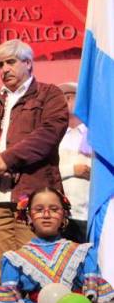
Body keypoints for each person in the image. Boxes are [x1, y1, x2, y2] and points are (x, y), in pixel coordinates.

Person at [0, 39, 69, 295]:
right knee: (0, 274)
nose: (4, 69)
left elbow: (48, 135)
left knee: (38, 270)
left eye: (10, 62)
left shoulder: (49, 94)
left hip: (32, 199)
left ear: (28, 63)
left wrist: (7, 159)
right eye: (0, 64)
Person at [57, 82, 91, 244]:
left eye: (70, 97)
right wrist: (72, 169)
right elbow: (48, 171)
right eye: (61, 98)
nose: (64, 102)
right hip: (66, 214)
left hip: (92, 211)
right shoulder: (55, 137)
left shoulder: (94, 135)